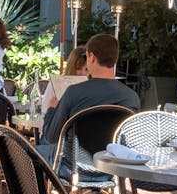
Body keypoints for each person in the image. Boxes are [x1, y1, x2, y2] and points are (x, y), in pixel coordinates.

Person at [39, 33, 139, 161]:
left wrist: (51, 109)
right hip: (113, 165)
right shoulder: (131, 97)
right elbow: (132, 140)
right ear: (114, 59)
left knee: (31, 152)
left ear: (91, 57)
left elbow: (51, 137)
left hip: (73, 165)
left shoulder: (74, 92)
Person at [41, 46, 87, 111]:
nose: (83, 72)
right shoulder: (55, 83)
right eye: (78, 68)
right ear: (71, 67)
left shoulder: (92, 85)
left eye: (87, 69)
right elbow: (44, 109)